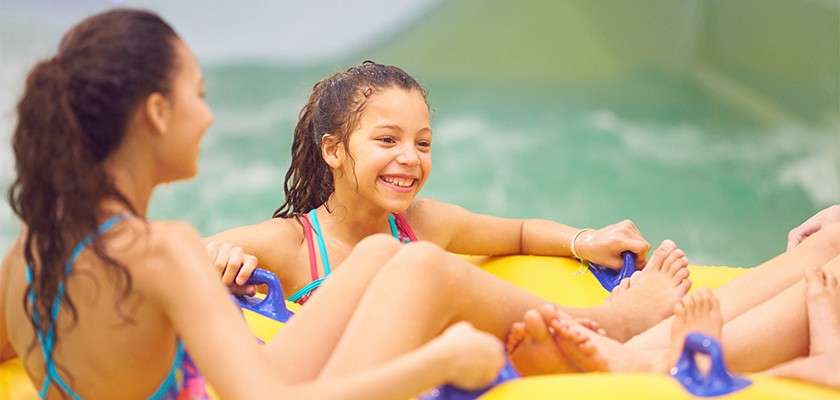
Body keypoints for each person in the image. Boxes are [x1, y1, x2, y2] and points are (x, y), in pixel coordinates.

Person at [0, 9, 519, 398]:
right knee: (422, 266)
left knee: (381, 256)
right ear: (157, 113)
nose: (207, 117)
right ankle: (588, 327)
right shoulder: (163, 253)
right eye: (199, 95)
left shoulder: (26, 253)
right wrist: (441, 361)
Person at [207, 61, 692, 342]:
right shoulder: (295, 245)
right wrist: (221, 256)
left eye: (422, 143)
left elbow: (518, 233)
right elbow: (178, 256)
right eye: (387, 140)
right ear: (333, 149)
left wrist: (585, 240)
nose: (409, 159)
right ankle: (612, 324)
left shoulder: (420, 224)